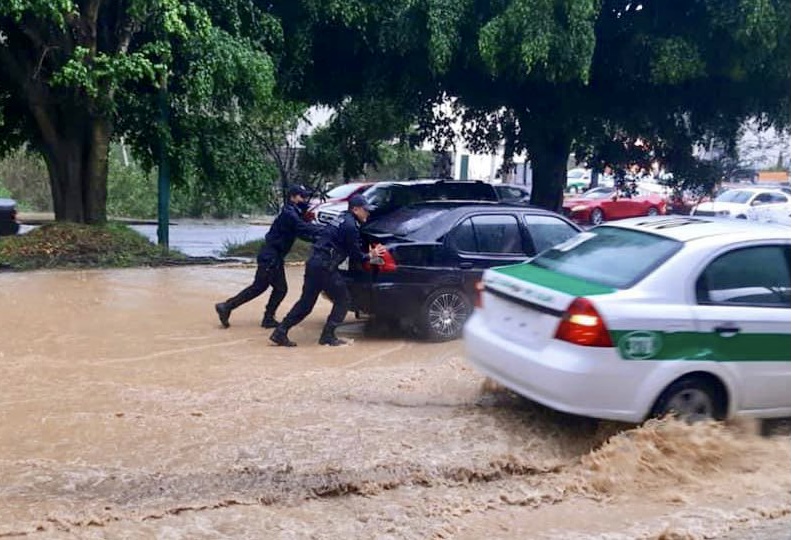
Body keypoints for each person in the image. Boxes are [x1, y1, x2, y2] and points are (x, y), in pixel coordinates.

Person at [270, 194, 386, 347]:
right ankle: (328, 336)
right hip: (325, 267)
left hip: (314, 263)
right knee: (343, 300)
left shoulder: (342, 218)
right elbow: (356, 256)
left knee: (306, 303)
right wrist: (372, 254)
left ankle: (280, 331)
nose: (368, 213)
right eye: (365, 210)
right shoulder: (351, 226)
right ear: (355, 209)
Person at [214, 184, 323, 329]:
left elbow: (303, 234)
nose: (304, 199)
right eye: (302, 196)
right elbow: (302, 228)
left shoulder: (294, 213)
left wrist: (318, 238)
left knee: (271, 288)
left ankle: (263, 317)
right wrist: (326, 230)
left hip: (273, 256)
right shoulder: (289, 214)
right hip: (271, 256)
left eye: (305, 196)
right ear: (292, 197)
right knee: (267, 288)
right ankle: (229, 307)